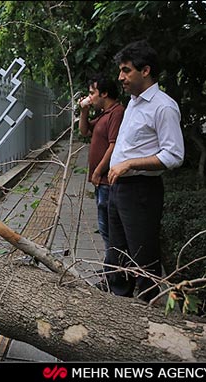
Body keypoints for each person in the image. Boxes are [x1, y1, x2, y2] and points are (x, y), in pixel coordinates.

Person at [106, 40, 185, 302]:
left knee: (142, 254)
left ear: (146, 71)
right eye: (121, 70)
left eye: (126, 70)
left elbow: (173, 155)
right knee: (117, 253)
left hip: (141, 191)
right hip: (119, 189)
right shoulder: (134, 102)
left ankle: (148, 309)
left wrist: (130, 164)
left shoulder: (163, 106)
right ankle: (119, 303)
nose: (121, 77)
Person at [78, 74, 125, 252]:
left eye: (92, 93)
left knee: (109, 231)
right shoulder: (104, 114)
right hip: (101, 182)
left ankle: (114, 272)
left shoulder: (117, 113)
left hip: (107, 181)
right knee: (105, 230)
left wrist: (98, 172)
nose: (90, 97)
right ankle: (111, 270)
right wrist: (84, 111)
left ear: (104, 93)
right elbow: (84, 131)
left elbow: (113, 146)